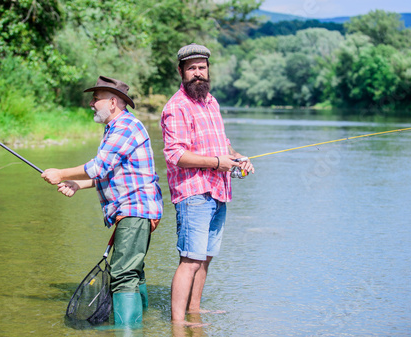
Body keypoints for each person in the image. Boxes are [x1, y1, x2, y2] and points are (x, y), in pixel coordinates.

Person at [42, 76, 163, 325]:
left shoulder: (125, 127)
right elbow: (111, 173)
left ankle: (127, 330)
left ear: (112, 101)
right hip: (134, 210)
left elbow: (99, 166)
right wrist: (78, 184)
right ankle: (142, 325)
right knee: (133, 272)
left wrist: (61, 173)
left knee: (123, 274)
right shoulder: (117, 127)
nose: (91, 103)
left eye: (95, 99)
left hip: (134, 209)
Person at [160, 43, 254, 324]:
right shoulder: (176, 107)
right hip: (193, 193)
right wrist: (216, 162)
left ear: (208, 70)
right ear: (181, 71)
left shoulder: (211, 101)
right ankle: (178, 322)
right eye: (192, 68)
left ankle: (194, 312)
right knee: (190, 259)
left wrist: (238, 158)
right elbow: (176, 155)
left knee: (206, 258)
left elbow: (222, 144)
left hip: (219, 191)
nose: (198, 73)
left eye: (202, 67)